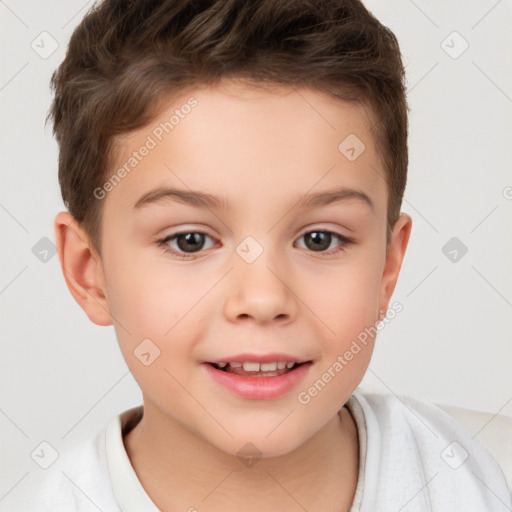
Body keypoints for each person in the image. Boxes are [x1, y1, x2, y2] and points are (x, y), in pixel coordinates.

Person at [11, 0, 511, 510]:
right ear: (88, 272)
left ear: (387, 267)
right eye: (190, 240)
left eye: (320, 238)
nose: (264, 298)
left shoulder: (488, 480)